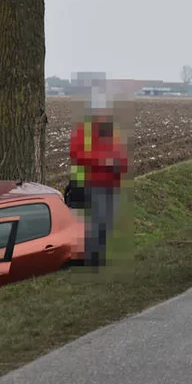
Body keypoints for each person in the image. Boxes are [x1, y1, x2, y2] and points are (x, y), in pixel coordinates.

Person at [69, 96, 128, 267]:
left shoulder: (112, 131)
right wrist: (103, 161)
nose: (105, 115)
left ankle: (99, 253)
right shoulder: (84, 131)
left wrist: (119, 164)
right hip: (93, 182)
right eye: (102, 112)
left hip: (112, 183)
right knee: (97, 220)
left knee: (107, 221)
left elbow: (121, 155)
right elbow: (76, 154)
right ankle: (92, 257)